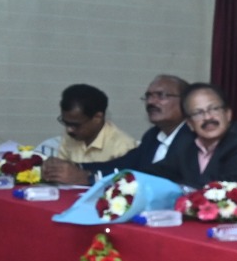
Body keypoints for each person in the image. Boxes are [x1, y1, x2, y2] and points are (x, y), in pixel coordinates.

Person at [44, 74, 193, 186]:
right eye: (148, 96)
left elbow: (157, 177)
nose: (151, 102)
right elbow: (121, 164)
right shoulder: (153, 136)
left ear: (187, 102)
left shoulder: (192, 138)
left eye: (161, 95)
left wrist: (89, 178)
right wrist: (76, 167)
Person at [171, 82, 237, 200]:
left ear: (228, 114)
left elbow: (222, 189)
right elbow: (162, 172)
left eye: (214, 109)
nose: (208, 117)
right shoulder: (186, 144)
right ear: (190, 124)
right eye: (198, 113)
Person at [52, 84, 137, 165]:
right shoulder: (71, 136)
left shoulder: (122, 146)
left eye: (75, 125)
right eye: (66, 123)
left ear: (97, 118)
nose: (69, 130)